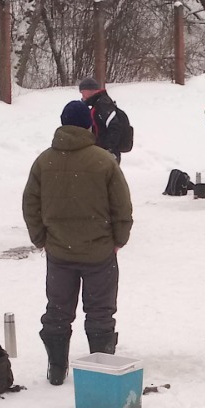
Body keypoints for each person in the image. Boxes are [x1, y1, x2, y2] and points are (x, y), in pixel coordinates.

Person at [22, 100, 135, 384]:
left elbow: (30, 204)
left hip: (59, 252)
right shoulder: (103, 160)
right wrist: (119, 239)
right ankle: (101, 372)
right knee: (100, 313)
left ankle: (57, 368)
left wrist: (40, 238)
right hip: (99, 253)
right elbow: (122, 205)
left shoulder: (44, 161)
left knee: (58, 311)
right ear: (89, 125)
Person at [79, 77, 133, 161]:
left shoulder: (103, 104)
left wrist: (108, 149)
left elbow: (114, 126)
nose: (82, 95)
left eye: (83, 92)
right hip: (103, 152)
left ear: (90, 90)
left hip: (107, 154)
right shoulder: (98, 103)